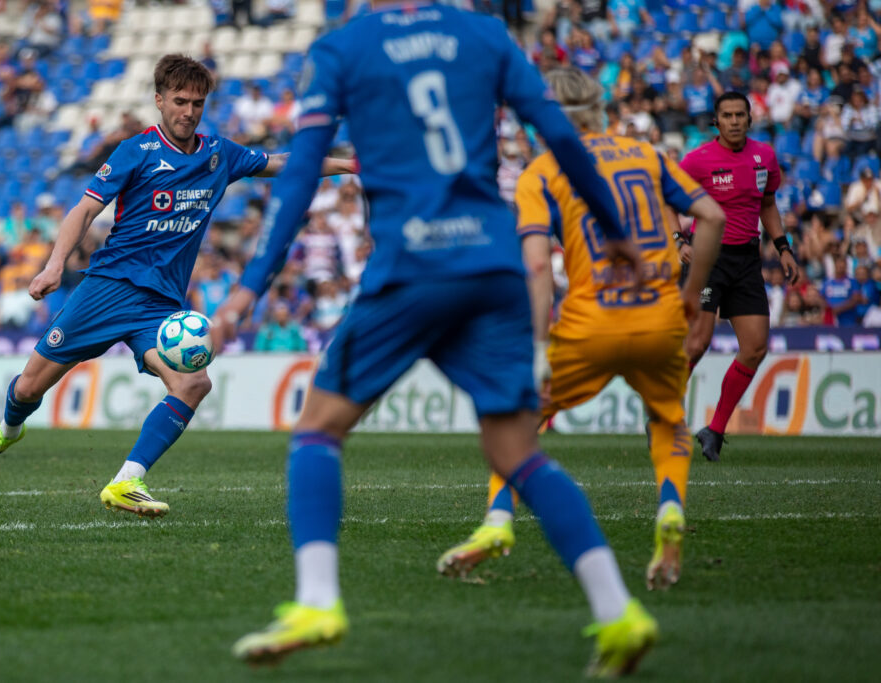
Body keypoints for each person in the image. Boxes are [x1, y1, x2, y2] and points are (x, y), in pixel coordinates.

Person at [213, 4, 658, 675]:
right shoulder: (484, 34)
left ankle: (318, 600)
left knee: (317, 429)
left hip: (410, 269)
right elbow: (561, 135)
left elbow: (302, 172)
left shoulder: (343, 48)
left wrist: (249, 284)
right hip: (491, 264)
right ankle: (617, 610)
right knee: (517, 451)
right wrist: (616, 228)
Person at [0, 54, 356, 517]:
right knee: (29, 388)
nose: (188, 111)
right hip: (107, 288)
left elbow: (287, 163)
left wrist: (350, 166)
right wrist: (53, 266)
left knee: (193, 383)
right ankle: (9, 430)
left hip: (161, 306)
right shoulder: (136, 151)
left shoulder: (219, 154)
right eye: (179, 101)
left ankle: (127, 480)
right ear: (159, 100)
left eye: (197, 103)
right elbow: (84, 210)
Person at [436, 67, 725, 591]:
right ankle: (670, 509)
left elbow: (539, 266)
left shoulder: (542, 172)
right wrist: (690, 293)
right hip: (660, 315)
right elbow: (713, 216)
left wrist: (539, 345)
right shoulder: (647, 155)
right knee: (668, 421)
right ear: (600, 108)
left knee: (518, 421)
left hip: (591, 322)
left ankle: (497, 523)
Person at [675, 92, 800, 461]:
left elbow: (767, 204)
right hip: (708, 256)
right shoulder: (697, 160)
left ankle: (714, 430)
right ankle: (662, 413)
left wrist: (783, 247)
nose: (733, 121)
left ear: (749, 118)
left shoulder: (765, 156)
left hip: (747, 259)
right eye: (726, 115)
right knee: (697, 343)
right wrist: (677, 239)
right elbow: (668, 199)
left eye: (739, 115)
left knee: (756, 347)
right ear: (716, 121)